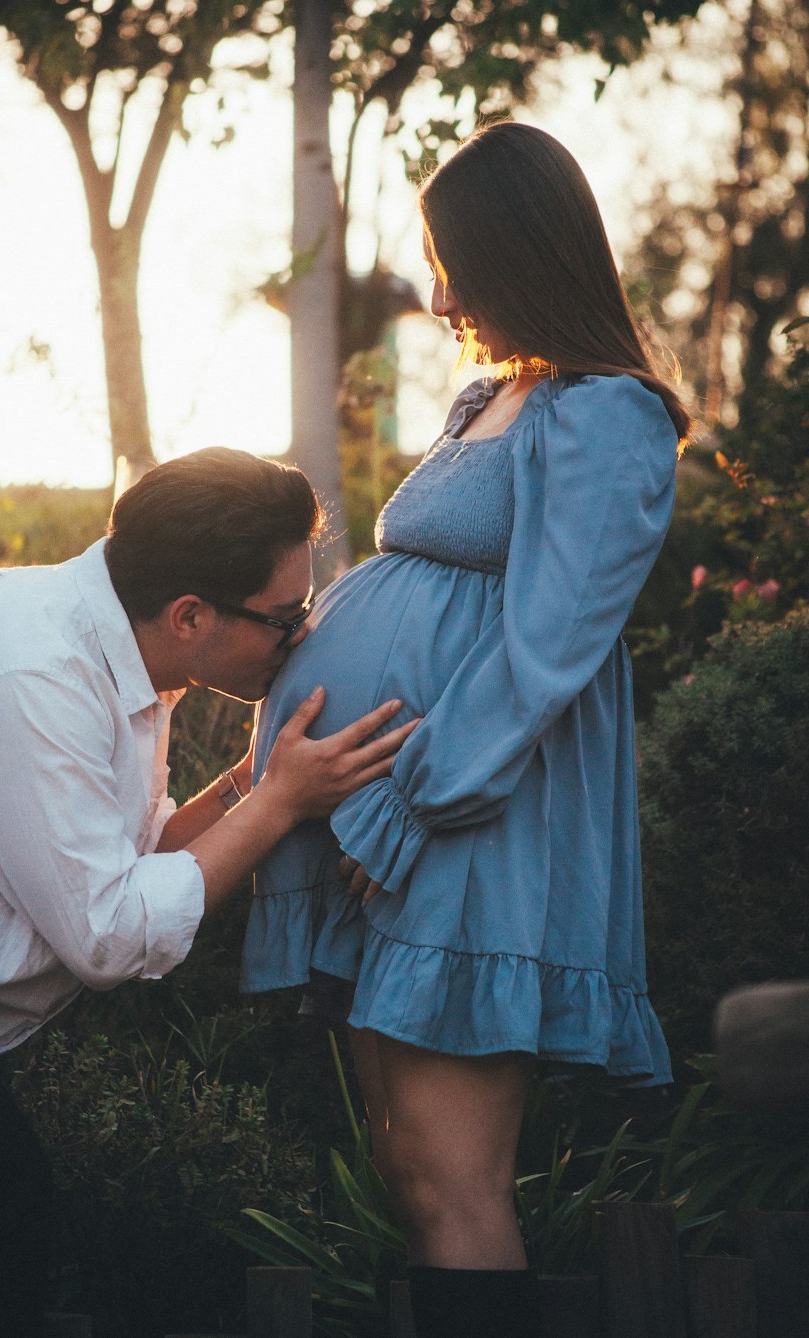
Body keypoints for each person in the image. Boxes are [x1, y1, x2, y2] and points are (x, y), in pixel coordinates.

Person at [240, 122, 691, 1338]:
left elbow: (549, 648)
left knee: (454, 1181)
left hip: (474, 816)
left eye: (452, 262)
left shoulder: (607, 416)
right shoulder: (497, 393)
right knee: (409, 1166)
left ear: (516, 253)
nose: (438, 295)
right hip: (404, 816)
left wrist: (405, 796)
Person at [0, 445, 415, 1338]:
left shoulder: (110, 649)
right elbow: (106, 936)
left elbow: (133, 860)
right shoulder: (32, 673)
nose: (304, 636)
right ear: (190, 614)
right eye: (286, 620)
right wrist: (283, 801)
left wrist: (251, 783)